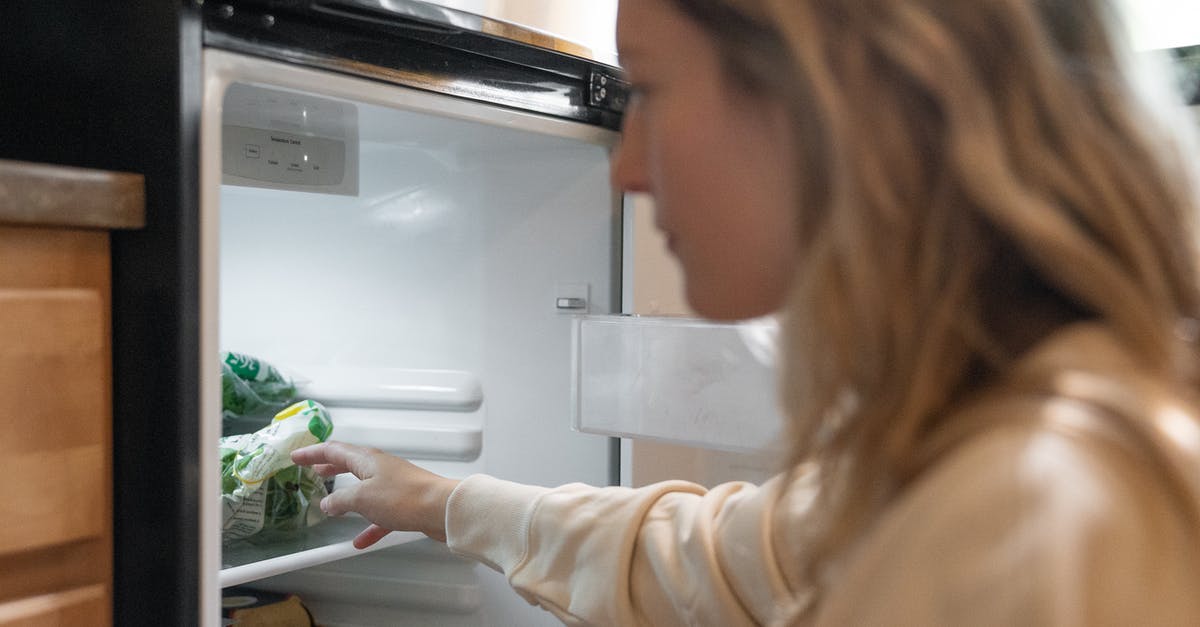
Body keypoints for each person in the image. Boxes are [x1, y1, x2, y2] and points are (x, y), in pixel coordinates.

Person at [293, 0, 1200, 624]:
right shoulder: (977, 440)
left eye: (650, 90)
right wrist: (442, 500)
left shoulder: (1034, 511)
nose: (624, 169)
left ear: (829, 99)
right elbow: (720, 559)